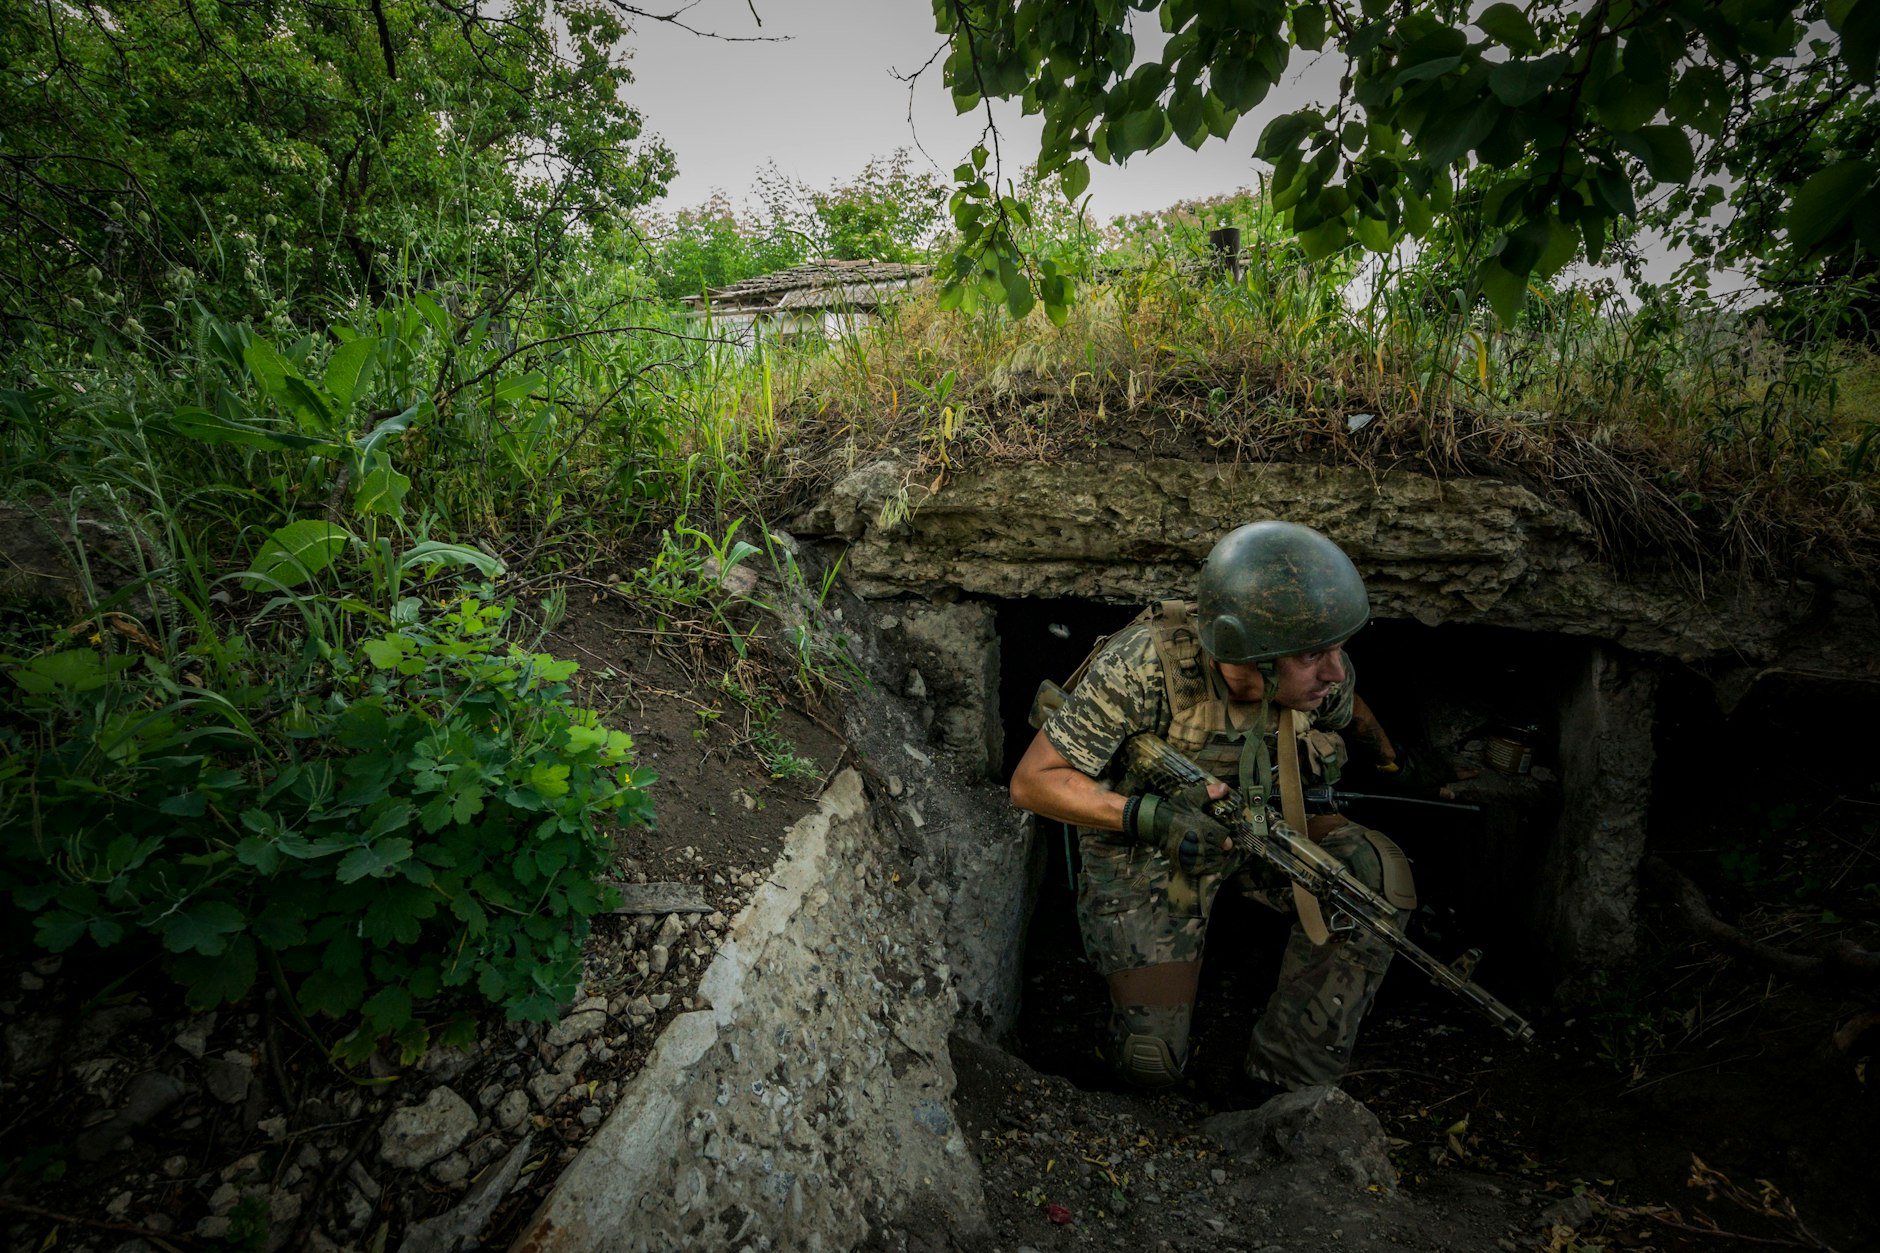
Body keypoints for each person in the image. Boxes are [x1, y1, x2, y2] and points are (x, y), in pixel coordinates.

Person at [1009, 520, 1414, 1092]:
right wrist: (1150, 817)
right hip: (1150, 846)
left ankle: (1286, 1078)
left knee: (1373, 875)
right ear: (1254, 655)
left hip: (1260, 828)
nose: (1335, 671)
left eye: (1339, 650)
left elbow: (1352, 711)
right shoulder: (1142, 669)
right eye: (1315, 656)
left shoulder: (1317, 675)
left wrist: (1396, 759)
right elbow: (1033, 782)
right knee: (1150, 1064)